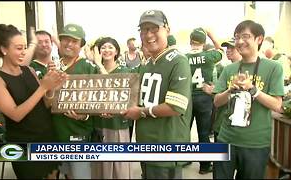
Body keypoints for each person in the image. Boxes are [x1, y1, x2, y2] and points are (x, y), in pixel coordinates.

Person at [0, 24, 66, 179]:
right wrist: (43, 87)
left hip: (47, 136)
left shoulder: (28, 70)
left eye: (25, 47)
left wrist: (52, 87)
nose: (23, 52)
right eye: (18, 48)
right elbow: (16, 114)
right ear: (4, 49)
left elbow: (46, 103)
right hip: (21, 142)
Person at [121, 10, 192, 179]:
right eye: (144, 30)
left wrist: (141, 112)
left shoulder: (178, 61)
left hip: (166, 146)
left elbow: (176, 107)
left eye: (154, 28)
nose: (149, 34)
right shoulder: (147, 63)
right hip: (146, 144)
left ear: (167, 29)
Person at [213, 20, 284, 179]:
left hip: (256, 143)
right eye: (237, 37)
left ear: (259, 39)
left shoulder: (274, 68)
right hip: (225, 139)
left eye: (245, 36)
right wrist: (231, 90)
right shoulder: (229, 69)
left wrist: (253, 90)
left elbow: (277, 105)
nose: (239, 41)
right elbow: (217, 102)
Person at [49, 23, 107, 179]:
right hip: (55, 134)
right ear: (60, 42)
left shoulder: (89, 68)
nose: (69, 44)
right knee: (64, 174)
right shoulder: (53, 67)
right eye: (65, 39)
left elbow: (104, 98)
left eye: (74, 41)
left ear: (81, 45)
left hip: (78, 135)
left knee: (79, 175)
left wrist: (84, 115)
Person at [91, 37, 132, 179]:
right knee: (100, 167)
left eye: (110, 47)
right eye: (103, 47)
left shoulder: (124, 70)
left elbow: (117, 91)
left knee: (119, 168)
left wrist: (99, 65)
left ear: (116, 51)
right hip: (98, 125)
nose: (106, 50)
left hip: (117, 125)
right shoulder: (93, 71)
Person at [185, 27, 223, 174]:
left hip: (187, 97)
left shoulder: (183, 57)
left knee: (184, 131)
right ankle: (205, 166)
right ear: (204, 42)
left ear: (190, 41)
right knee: (203, 133)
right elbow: (221, 51)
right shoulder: (209, 56)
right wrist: (212, 35)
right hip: (204, 97)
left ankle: (183, 158)